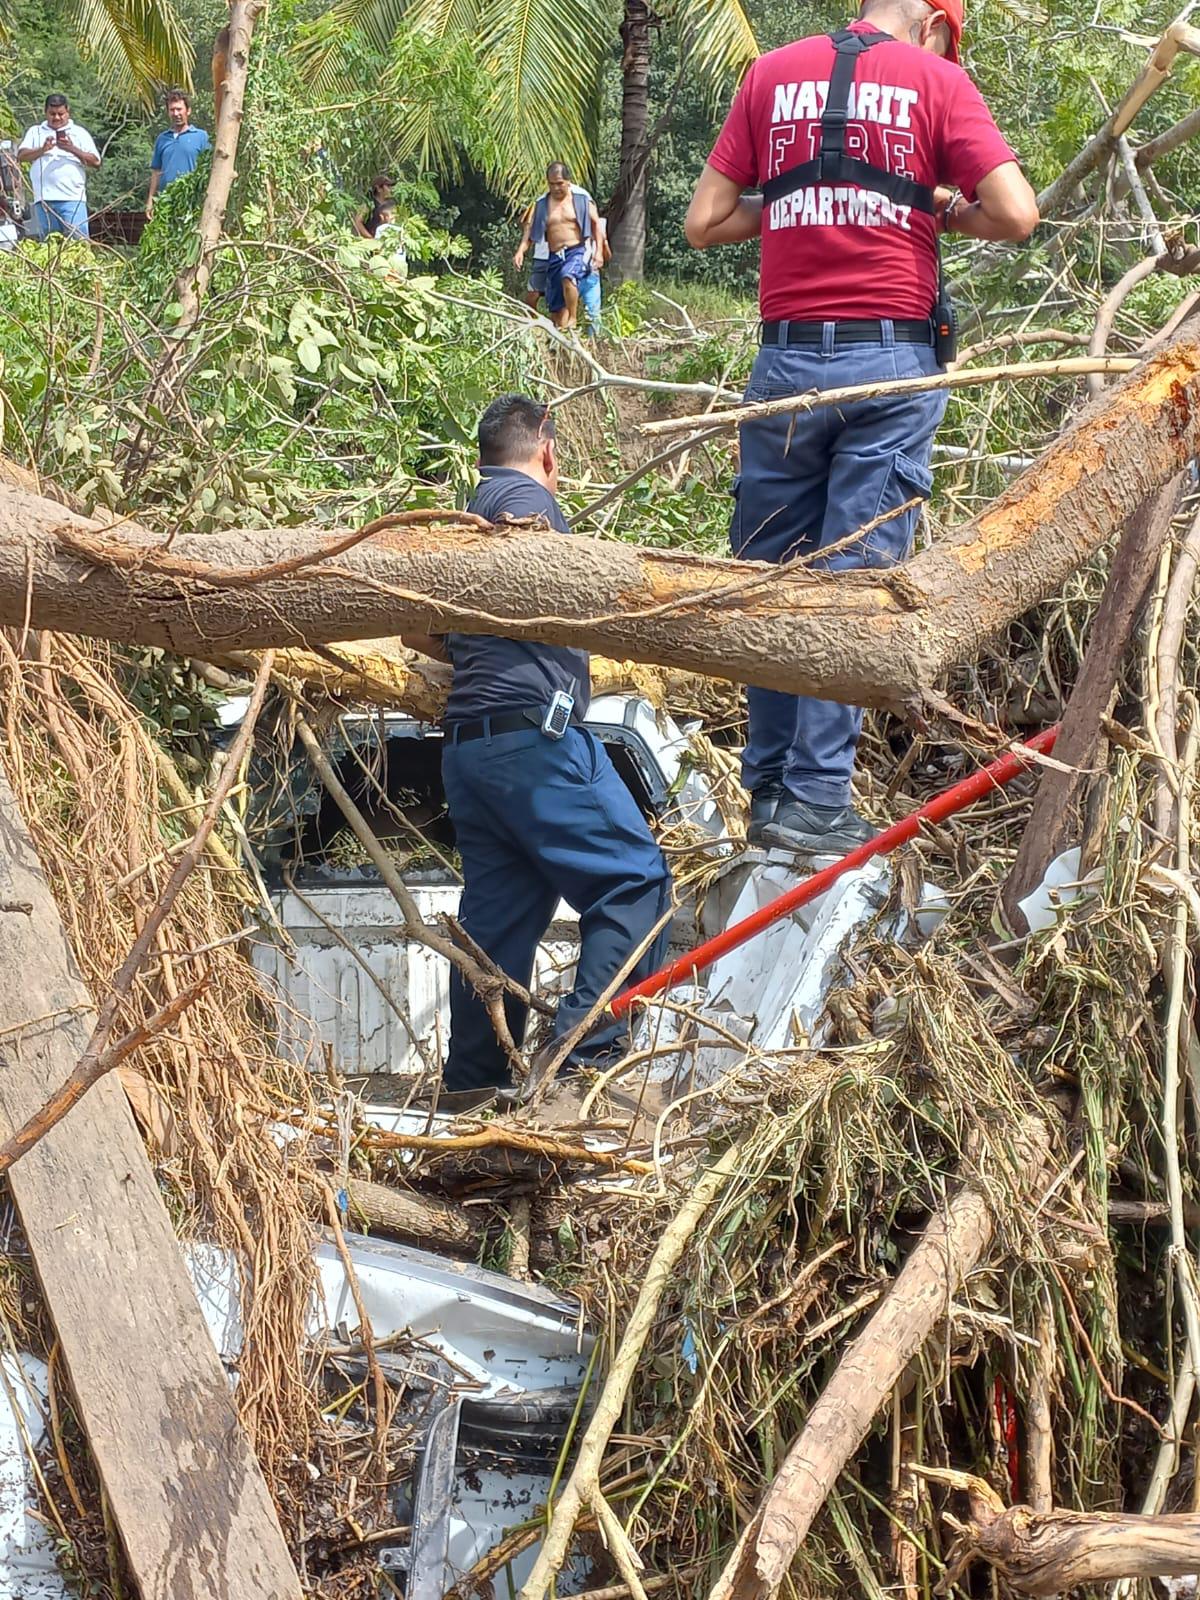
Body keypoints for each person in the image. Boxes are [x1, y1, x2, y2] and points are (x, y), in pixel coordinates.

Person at [685, 0, 1037, 854]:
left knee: (770, 578)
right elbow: (1016, 213)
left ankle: (770, 790)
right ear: (933, 23)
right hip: (889, 367)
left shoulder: (769, 73)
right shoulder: (936, 82)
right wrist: (933, 209)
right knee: (855, 585)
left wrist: (801, 197)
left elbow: (704, 223)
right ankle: (815, 798)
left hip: (785, 372)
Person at [403, 395, 674, 1095]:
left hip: (470, 752)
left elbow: (414, 629)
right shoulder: (529, 506)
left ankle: (472, 1089)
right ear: (547, 450)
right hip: (536, 743)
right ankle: (582, 1063)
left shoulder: (464, 521)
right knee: (634, 882)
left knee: (496, 930)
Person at [514, 163, 601, 329]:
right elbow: (531, 232)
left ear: (568, 181)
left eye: (560, 183)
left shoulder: (581, 198)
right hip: (554, 255)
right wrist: (520, 251)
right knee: (556, 308)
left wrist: (599, 253)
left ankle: (573, 318)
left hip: (577, 250)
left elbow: (596, 224)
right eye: (552, 184)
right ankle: (562, 334)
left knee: (568, 276)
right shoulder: (542, 204)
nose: (556, 188)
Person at [18, 94, 101, 241]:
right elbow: (21, 156)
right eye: (52, 114)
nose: (56, 118)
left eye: (60, 114)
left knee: (78, 244)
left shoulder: (79, 133)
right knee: (49, 245)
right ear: (45, 112)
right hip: (44, 201)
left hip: (72, 200)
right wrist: (42, 149)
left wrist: (71, 148)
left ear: (68, 112)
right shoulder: (35, 131)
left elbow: (95, 162)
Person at [146, 89, 210, 218]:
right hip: (166, 201)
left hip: (192, 202)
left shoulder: (201, 136)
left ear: (188, 111)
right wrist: (150, 199)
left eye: (179, 109)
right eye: (172, 110)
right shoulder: (162, 139)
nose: (176, 113)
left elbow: (208, 168)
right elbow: (156, 171)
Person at [353, 173, 394, 239]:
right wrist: (370, 238)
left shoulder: (391, 203)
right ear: (379, 188)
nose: (391, 189)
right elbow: (357, 222)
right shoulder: (369, 204)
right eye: (388, 186)